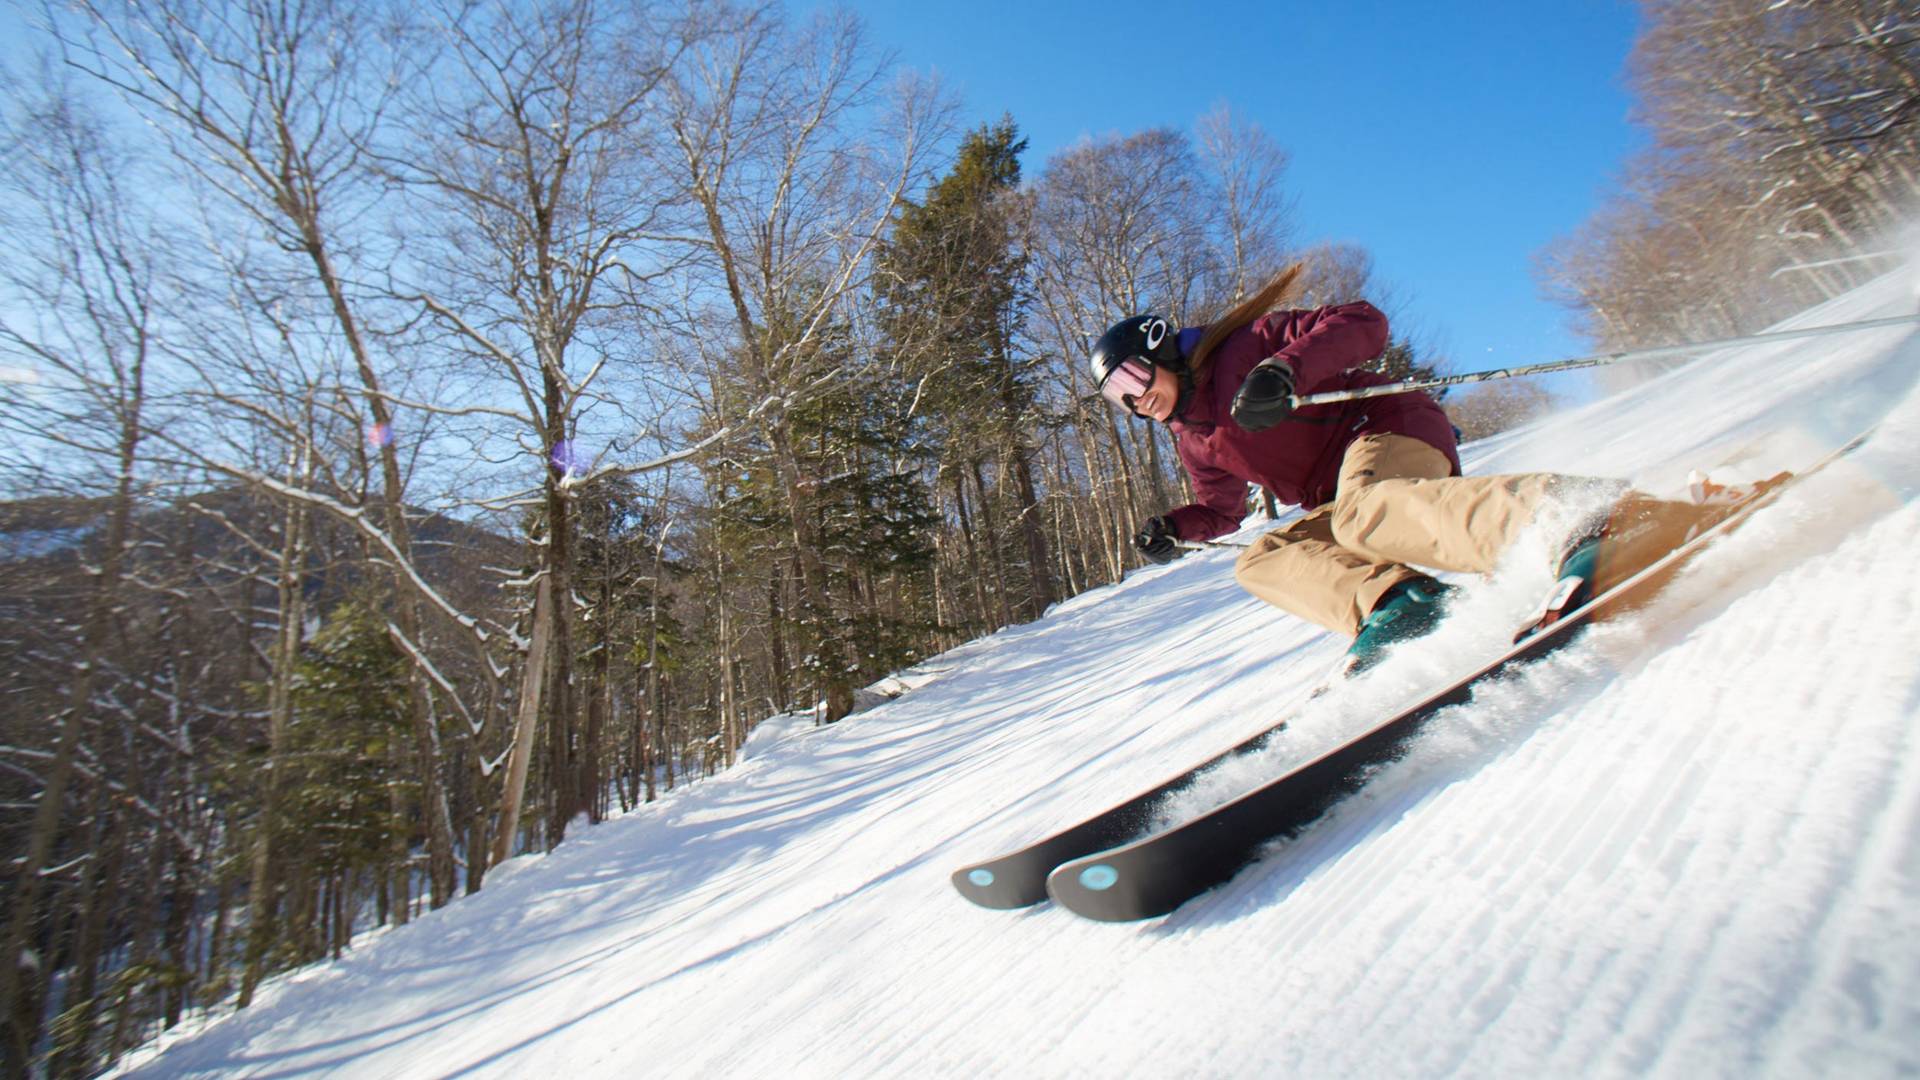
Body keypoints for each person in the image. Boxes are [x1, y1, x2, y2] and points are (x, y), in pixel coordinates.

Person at [1090, 262, 1713, 673]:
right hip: (1339, 495)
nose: (1134, 397)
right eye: (1117, 397)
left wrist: (1285, 370)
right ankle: (1402, 605)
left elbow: (1362, 322)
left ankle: (1590, 520)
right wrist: (1177, 526)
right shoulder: (1193, 438)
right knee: (1261, 558)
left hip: (1388, 429)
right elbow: (1221, 510)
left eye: (1131, 376)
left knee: (1362, 514)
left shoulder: (1245, 348)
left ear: (1161, 349)